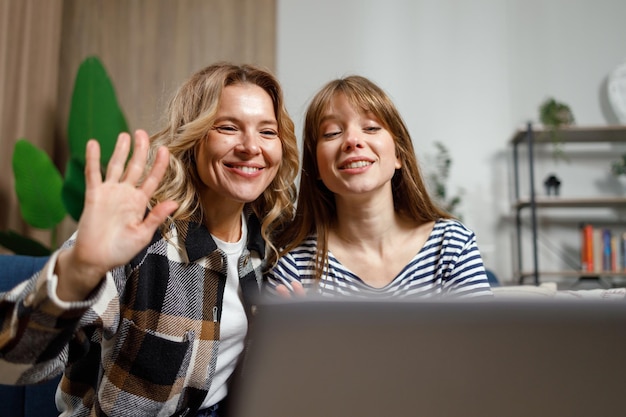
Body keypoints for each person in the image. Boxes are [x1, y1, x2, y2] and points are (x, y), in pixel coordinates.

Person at [0, 63, 299, 416]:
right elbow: (13, 363)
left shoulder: (270, 239)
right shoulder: (139, 236)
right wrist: (79, 271)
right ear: (194, 138)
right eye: (228, 127)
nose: (251, 146)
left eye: (267, 131)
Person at [267, 75, 491, 298]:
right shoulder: (293, 266)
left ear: (399, 155)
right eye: (333, 132)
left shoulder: (452, 245)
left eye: (372, 128)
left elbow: (483, 334)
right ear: (316, 166)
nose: (353, 141)